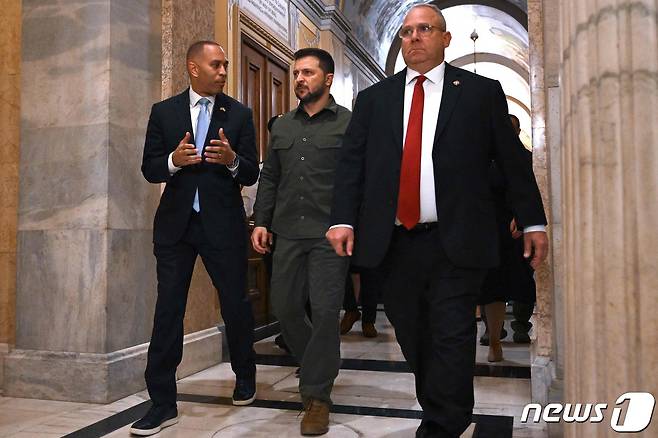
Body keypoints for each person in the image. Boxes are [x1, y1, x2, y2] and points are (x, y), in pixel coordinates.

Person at [325, 5, 548, 438]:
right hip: (395, 240)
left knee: (451, 332)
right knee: (412, 333)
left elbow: (513, 162)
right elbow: (351, 165)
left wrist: (533, 220)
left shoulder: (481, 93)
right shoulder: (375, 100)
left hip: (456, 238)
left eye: (424, 29)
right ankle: (445, 408)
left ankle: (444, 423)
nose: (414, 37)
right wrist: (342, 220)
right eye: (406, 31)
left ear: (445, 39)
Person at [132, 40, 259, 436]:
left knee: (236, 304)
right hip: (176, 227)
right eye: (216, 65)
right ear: (192, 67)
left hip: (223, 226)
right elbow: (150, 168)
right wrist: (174, 161)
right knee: (168, 309)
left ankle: (245, 375)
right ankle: (162, 403)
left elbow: (252, 172)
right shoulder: (164, 112)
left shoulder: (239, 114)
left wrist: (232, 160)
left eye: (225, 65)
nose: (223, 71)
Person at [251, 48, 351, 436]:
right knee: (287, 308)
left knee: (326, 312)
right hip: (288, 231)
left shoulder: (348, 123)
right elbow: (270, 177)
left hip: (329, 234)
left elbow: (355, 180)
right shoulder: (282, 127)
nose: (299, 79)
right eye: (295, 73)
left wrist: (351, 224)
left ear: (327, 79)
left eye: (307, 73)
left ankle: (316, 396)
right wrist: (262, 221)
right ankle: (321, 365)